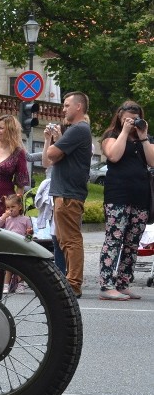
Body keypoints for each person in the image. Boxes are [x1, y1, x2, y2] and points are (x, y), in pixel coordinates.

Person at [97, 101, 154, 300]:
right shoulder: (111, 136)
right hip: (117, 196)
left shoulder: (144, 137)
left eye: (135, 117)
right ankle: (106, 285)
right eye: (127, 117)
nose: (131, 120)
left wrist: (143, 136)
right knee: (114, 240)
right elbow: (113, 155)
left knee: (132, 243)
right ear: (120, 117)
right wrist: (124, 132)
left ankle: (123, 283)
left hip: (140, 197)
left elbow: (152, 161)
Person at [42, 92, 93, 298]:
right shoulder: (76, 131)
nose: (63, 109)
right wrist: (55, 142)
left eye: (66, 105)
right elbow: (54, 157)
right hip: (65, 192)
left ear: (79, 107)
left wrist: (55, 145)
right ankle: (70, 282)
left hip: (68, 194)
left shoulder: (79, 129)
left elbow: (52, 155)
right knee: (64, 240)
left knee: (70, 240)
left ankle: (73, 284)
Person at [0, 192, 34, 292]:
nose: (10, 209)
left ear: (20, 207)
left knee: (20, 267)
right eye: (8, 207)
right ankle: (6, 285)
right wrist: (4, 216)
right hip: (10, 245)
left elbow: (30, 235)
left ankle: (20, 285)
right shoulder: (7, 219)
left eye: (13, 206)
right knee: (9, 267)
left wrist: (29, 233)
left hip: (21, 245)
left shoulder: (25, 219)